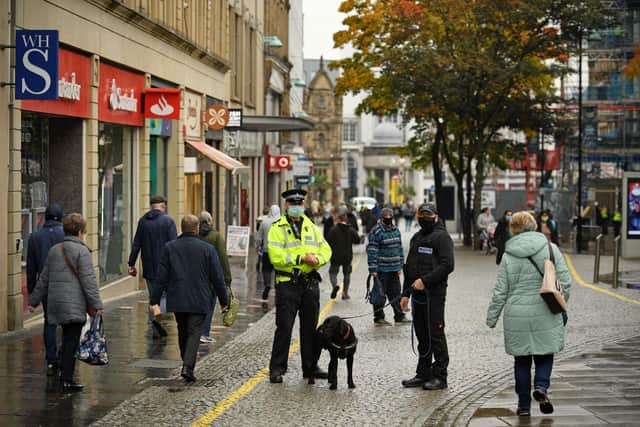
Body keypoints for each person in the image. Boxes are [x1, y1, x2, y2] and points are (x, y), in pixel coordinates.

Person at [486, 211, 571, 417]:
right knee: (545, 354)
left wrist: (492, 317)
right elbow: (566, 282)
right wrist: (559, 302)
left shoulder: (508, 255)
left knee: (522, 361)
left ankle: (524, 406)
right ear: (534, 227)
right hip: (545, 311)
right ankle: (541, 388)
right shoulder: (551, 249)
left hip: (517, 315)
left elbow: (501, 290)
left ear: (513, 229)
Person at [28, 213, 104, 392]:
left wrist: (33, 301)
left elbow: (44, 279)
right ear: (79, 231)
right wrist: (97, 305)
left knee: (66, 338)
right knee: (71, 341)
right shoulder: (82, 251)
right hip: (73, 303)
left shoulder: (55, 249)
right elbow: (88, 281)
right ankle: (67, 379)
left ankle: (62, 371)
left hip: (56, 303)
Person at [152, 215, 229, 382]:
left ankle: (185, 361)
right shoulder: (208, 249)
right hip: (200, 297)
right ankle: (188, 366)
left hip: (178, 297)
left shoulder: (170, 247)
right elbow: (218, 278)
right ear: (196, 229)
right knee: (194, 331)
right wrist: (224, 301)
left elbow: (161, 277)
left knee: (182, 329)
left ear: (182, 227)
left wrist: (154, 301)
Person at [267, 189, 332, 384]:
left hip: (310, 284)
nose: (296, 207)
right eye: (293, 204)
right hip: (288, 284)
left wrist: (317, 259)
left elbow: (326, 249)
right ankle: (277, 368)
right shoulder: (277, 228)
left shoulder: (311, 227)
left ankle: (310, 367)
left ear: (303, 206)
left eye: (299, 204)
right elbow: (275, 257)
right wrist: (301, 258)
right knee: (284, 328)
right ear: (286, 206)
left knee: (310, 328)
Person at [401, 203, 454, 390]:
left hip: (435, 295)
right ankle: (423, 373)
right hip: (417, 295)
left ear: (436, 217)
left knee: (435, 334)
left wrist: (426, 280)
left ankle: (440, 376)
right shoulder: (416, 237)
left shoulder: (442, 237)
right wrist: (405, 293)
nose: (424, 217)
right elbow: (409, 268)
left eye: (427, 214)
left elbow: (448, 265)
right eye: (421, 214)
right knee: (422, 335)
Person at [128, 195, 177, 338]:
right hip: (165, 267)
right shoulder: (168, 221)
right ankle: (158, 316)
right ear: (163, 206)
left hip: (149, 267)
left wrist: (131, 263)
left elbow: (136, 243)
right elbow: (174, 245)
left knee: (153, 297)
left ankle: (155, 327)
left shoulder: (143, 221)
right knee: (166, 296)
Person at [26, 204, 65, 376]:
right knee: (68, 322)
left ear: (45, 217)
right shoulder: (66, 234)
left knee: (49, 321)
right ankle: (64, 355)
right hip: (65, 285)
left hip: (46, 286)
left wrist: (32, 292)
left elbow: (31, 268)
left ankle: (51, 359)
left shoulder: (34, 237)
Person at [366, 207, 409, 325]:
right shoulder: (376, 231)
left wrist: (400, 265)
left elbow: (400, 249)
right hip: (381, 270)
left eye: (390, 218)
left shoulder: (396, 231)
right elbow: (372, 250)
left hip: (394, 269)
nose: (389, 220)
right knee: (380, 295)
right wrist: (373, 269)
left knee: (396, 293)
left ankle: (399, 315)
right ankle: (379, 317)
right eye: (386, 218)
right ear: (382, 218)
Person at [198, 211, 232, 344]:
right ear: (210, 221)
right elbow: (223, 258)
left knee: (199, 304)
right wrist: (227, 279)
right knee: (210, 304)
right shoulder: (216, 236)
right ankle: (204, 333)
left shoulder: (196, 234)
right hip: (212, 277)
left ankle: (199, 331)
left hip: (197, 276)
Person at [327, 206, 362, 300]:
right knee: (347, 274)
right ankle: (345, 293)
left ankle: (335, 286)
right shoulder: (350, 229)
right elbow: (357, 240)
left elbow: (327, 241)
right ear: (346, 218)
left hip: (335, 256)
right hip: (347, 256)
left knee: (333, 273)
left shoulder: (333, 230)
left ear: (338, 218)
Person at [255, 205, 281, 300]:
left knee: (266, 270)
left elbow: (259, 237)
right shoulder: (282, 223)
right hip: (279, 252)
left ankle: (267, 285)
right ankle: (277, 288)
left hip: (267, 251)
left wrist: (257, 246)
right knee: (278, 271)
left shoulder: (264, 222)